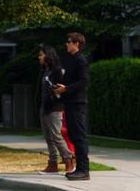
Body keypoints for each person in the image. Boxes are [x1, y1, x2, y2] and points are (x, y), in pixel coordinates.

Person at [54, 32, 89, 181]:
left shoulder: (81, 60)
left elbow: (83, 81)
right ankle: (79, 169)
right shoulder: (70, 60)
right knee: (73, 135)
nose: (67, 44)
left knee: (79, 136)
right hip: (69, 102)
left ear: (77, 44)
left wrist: (66, 89)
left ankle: (83, 169)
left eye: (69, 42)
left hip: (77, 103)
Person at [37, 45, 74, 174]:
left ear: (48, 55)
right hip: (44, 107)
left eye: (41, 54)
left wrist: (57, 99)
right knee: (48, 137)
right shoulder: (44, 70)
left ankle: (69, 159)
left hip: (55, 108)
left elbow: (62, 89)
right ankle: (53, 163)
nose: (39, 57)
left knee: (56, 136)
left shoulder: (58, 70)